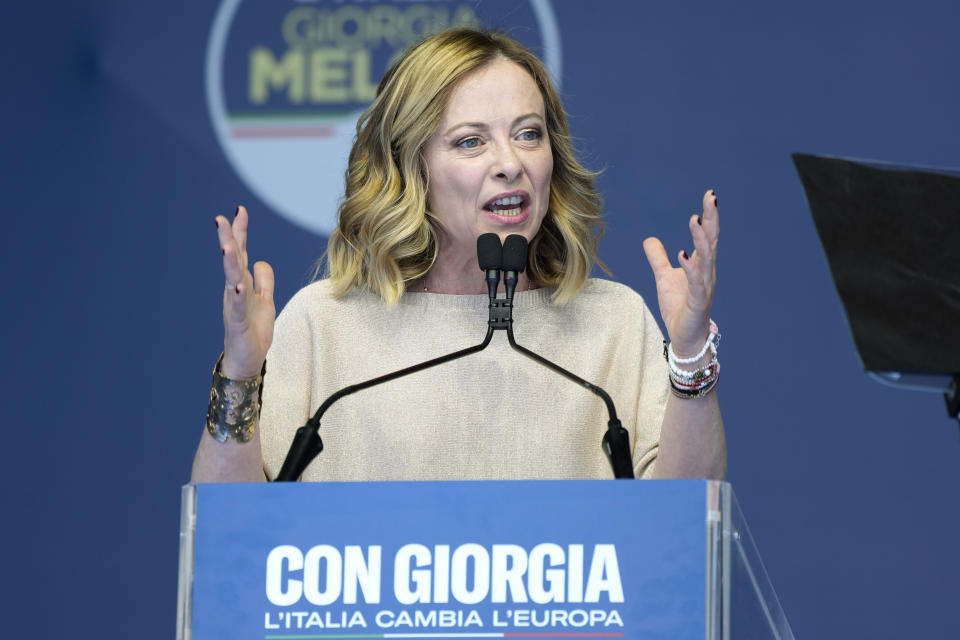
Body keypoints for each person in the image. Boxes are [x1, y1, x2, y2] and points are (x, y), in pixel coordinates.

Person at [192, 28, 725, 483]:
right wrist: (241, 373)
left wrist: (692, 354)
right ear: (410, 166)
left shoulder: (614, 323)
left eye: (529, 134)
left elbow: (684, 521)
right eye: (471, 142)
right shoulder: (323, 324)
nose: (510, 163)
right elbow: (230, 530)